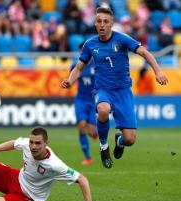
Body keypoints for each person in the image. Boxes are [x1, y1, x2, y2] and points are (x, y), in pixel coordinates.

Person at [61, 7, 168, 169]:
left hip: (124, 92)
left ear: (111, 24)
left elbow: (145, 53)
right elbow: (78, 68)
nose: (102, 25)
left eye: (106, 22)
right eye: (99, 21)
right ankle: (104, 146)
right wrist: (70, 80)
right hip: (103, 90)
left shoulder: (122, 39)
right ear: (95, 24)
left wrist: (158, 71)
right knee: (103, 110)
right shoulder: (90, 44)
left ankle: (119, 141)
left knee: (130, 140)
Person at [72, 42, 98, 165]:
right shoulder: (75, 66)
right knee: (81, 126)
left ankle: (94, 133)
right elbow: (71, 78)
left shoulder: (97, 65)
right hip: (81, 100)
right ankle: (88, 158)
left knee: (92, 130)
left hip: (93, 101)